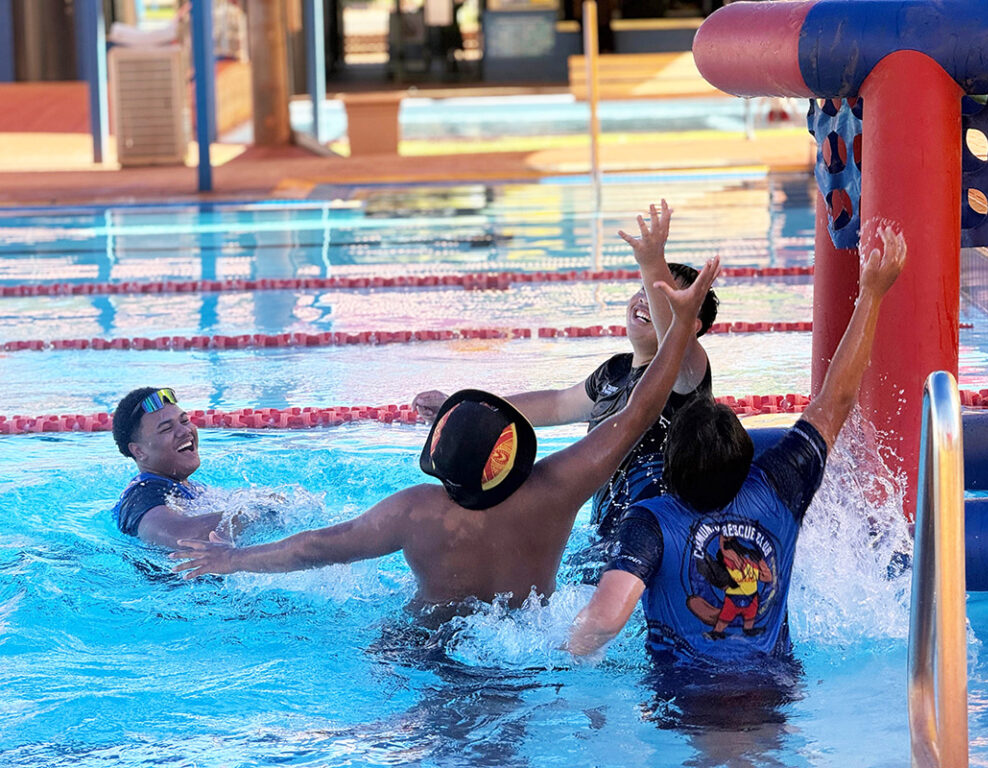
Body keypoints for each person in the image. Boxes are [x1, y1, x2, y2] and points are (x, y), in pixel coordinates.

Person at [170, 257, 723, 621]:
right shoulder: (556, 491)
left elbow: (316, 546)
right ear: (514, 454)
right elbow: (635, 415)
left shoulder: (416, 512)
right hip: (523, 646)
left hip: (424, 645)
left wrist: (234, 559)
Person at [566, 219, 907, 664]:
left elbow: (605, 621)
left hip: (683, 698)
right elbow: (836, 400)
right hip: (773, 688)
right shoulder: (779, 488)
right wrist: (873, 295)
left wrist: (558, 660)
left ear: (667, 472)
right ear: (747, 461)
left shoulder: (651, 522)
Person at [412, 200, 719, 551]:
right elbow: (556, 405)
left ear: (692, 326)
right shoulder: (614, 372)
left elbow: (674, 338)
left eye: (660, 295)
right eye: (644, 290)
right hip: (607, 538)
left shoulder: (688, 376)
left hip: (667, 536)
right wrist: (465, 410)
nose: (645, 300)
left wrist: (651, 264)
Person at [111, 387, 229, 547]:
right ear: (139, 451)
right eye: (167, 428)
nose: (185, 431)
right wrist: (254, 513)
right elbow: (180, 536)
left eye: (185, 421)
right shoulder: (143, 495)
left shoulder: (189, 487)